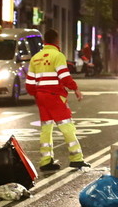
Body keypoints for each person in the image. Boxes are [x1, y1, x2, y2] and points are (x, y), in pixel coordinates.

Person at [25, 29, 86, 171]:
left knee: (46, 128)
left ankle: (46, 161)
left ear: (44, 41)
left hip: (41, 96)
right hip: (55, 95)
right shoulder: (58, 56)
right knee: (66, 126)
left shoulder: (36, 58)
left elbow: (29, 83)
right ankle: (76, 159)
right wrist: (75, 89)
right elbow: (64, 77)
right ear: (57, 41)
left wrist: (37, 94)